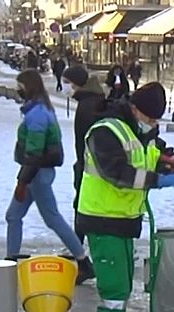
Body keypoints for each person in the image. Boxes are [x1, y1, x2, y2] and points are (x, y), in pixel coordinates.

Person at [76, 82, 174, 312]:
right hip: (102, 218)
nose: (153, 124)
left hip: (124, 220)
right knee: (114, 288)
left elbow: (157, 156)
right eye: (149, 118)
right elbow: (117, 173)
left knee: (120, 284)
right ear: (134, 109)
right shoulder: (105, 131)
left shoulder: (141, 133)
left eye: (156, 120)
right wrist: (158, 181)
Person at [7, 69, 95, 284]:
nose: (18, 90)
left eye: (21, 86)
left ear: (29, 87)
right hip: (35, 173)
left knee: (52, 218)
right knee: (13, 216)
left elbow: (34, 153)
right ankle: (9, 262)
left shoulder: (37, 114)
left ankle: (83, 261)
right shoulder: (38, 109)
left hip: (36, 174)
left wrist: (22, 181)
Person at [62, 65, 106, 245]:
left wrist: (82, 164)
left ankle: (78, 250)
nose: (64, 86)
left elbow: (86, 139)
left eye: (67, 82)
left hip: (90, 166)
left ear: (76, 84)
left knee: (83, 207)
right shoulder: (92, 101)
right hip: (89, 164)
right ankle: (78, 247)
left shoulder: (87, 106)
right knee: (83, 207)